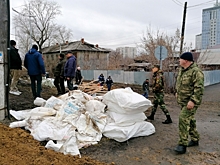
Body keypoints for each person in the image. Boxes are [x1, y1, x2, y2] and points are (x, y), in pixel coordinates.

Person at [174, 52, 204, 154]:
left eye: (180, 59)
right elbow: (180, 83)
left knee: (183, 119)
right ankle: (195, 139)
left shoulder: (196, 72)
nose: (179, 60)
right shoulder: (182, 70)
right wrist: (177, 92)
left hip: (191, 102)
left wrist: (193, 101)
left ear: (186, 60)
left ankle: (182, 144)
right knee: (189, 120)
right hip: (183, 101)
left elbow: (199, 89)